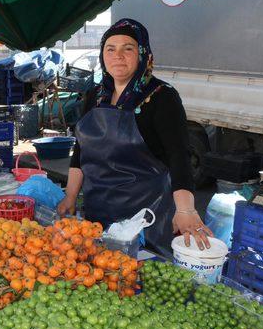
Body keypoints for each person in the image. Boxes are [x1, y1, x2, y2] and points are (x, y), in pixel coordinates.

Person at [57, 18, 212, 257]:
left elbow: (179, 157)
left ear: (142, 54)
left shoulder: (162, 97)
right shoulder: (94, 95)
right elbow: (81, 151)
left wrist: (186, 210)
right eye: (111, 49)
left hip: (145, 219)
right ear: (102, 55)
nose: (118, 55)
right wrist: (70, 196)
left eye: (127, 48)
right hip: (97, 212)